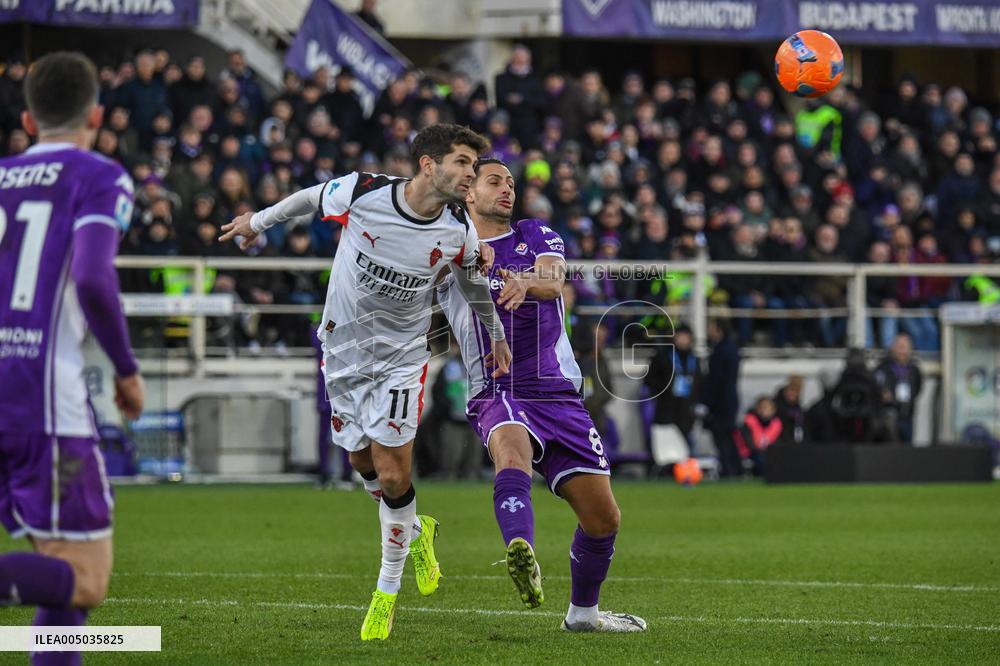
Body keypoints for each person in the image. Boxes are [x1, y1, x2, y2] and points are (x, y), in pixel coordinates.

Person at [220, 124, 511, 640]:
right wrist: (255, 222)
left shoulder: (457, 228)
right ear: (429, 165)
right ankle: (417, 530)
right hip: (342, 352)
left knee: (394, 474)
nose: (472, 174)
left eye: (474, 165)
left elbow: (469, 281)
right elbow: (307, 199)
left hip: (401, 359)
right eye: (464, 162)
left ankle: (385, 593)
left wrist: (495, 334)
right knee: (359, 461)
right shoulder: (365, 192)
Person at [438, 158, 647, 633]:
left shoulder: (535, 233)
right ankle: (520, 549)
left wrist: (524, 281)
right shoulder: (447, 245)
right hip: (498, 385)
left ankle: (583, 616)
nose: (507, 189)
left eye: (511, 183)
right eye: (495, 182)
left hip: (557, 391)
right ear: (468, 193)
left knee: (603, 519)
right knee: (511, 452)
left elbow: (555, 282)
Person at [0, 51, 145, 663]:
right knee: (85, 576)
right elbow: (90, 277)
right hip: (41, 404)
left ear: (29, 122)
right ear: (97, 114)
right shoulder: (98, 175)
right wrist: (126, 369)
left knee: (64, 591)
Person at [705, 319, 741, 476]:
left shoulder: (720, 351)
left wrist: (707, 402)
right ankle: (735, 468)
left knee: (722, 438)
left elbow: (716, 381)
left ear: (719, 329)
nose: (708, 330)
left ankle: (729, 469)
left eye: (711, 327)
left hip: (721, 403)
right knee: (728, 437)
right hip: (730, 400)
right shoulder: (732, 348)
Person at [874, 333, 922, 444]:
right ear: (893, 348)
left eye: (905, 347)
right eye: (899, 346)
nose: (902, 350)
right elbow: (877, 385)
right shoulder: (883, 367)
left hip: (907, 416)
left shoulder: (914, 369)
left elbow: (918, 388)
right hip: (889, 416)